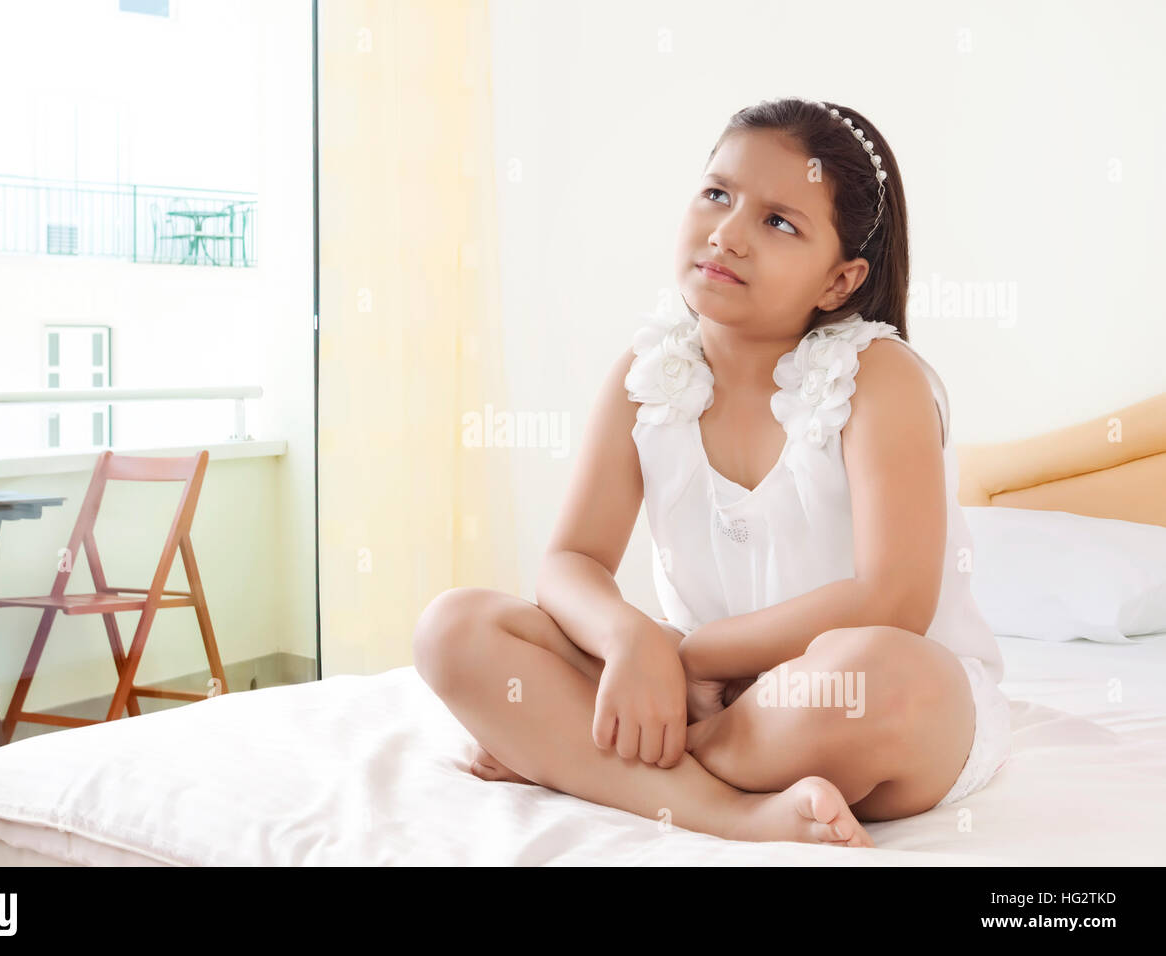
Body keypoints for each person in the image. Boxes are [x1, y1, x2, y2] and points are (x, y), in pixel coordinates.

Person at [413, 96, 1009, 849]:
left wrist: (681, 658)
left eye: (779, 222)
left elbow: (891, 600)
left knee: (882, 676)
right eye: (717, 195)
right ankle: (735, 812)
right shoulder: (646, 374)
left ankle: (591, 757)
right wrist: (631, 640)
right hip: (691, 692)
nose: (728, 234)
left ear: (839, 281)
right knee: (454, 629)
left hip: (833, 701)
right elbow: (570, 562)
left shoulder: (878, 378)